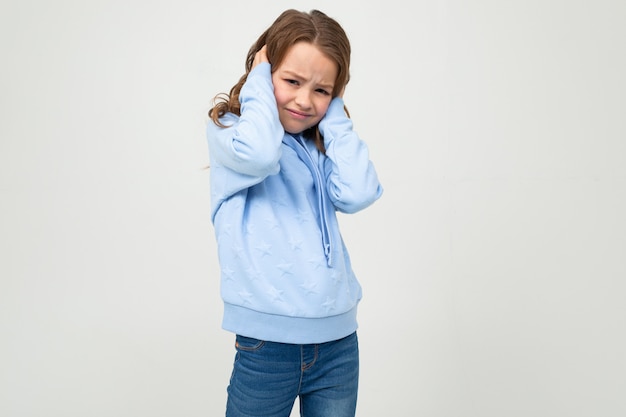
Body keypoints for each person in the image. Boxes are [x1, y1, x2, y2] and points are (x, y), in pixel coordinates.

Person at [206, 9, 383, 417]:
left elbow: (359, 192)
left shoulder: (322, 144)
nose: (305, 101)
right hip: (266, 345)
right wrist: (258, 78)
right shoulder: (230, 132)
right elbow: (262, 153)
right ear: (264, 75)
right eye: (291, 81)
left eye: (322, 90)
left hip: (338, 342)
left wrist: (335, 115)